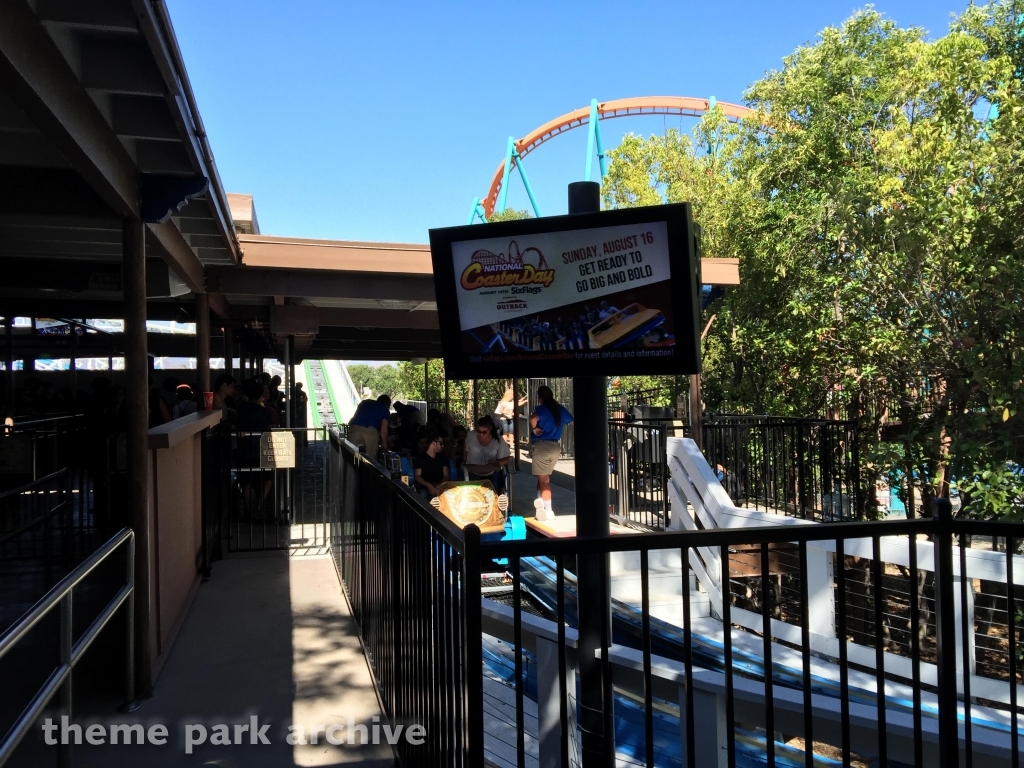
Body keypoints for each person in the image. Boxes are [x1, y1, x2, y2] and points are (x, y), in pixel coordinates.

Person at [529, 385, 573, 520]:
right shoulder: (560, 409)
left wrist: (535, 428)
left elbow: (533, 418)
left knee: (544, 481)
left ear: (540, 398)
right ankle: (540, 504)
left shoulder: (541, 409)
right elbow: (572, 421)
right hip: (555, 447)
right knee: (543, 476)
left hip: (542, 446)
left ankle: (548, 510)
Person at [464, 416, 509, 490]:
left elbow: (506, 457)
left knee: (493, 493)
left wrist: (496, 462)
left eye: (484, 432)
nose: (481, 434)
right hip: (473, 471)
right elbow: (465, 450)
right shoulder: (471, 436)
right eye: (479, 431)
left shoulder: (498, 440)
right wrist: (464, 462)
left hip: (491, 473)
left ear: (490, 429)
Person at [347, 394, 391, 459]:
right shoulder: (384, 408)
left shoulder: (364, 403)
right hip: (370, 432)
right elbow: (383, 431)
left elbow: (353, 418)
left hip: (354, 428)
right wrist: (385, 443)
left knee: (350, 456)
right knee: (370, 460)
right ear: (387, 404)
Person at [413, 430, 448, 500]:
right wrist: (428, 485)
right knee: (423, 494)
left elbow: (446, 475)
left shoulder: (443, 458)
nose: (442, 446)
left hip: (439, 486)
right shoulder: (419, 458)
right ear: (433, 443)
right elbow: (417, 476)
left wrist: (440, 485)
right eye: (440, 444)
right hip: (424, 486)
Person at [494, 387, 528, 452]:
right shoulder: (503, 402)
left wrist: (525, 401)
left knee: (511, 432)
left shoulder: (511, 402)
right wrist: (508, 412)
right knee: (505, 432)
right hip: (502, 418)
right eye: (512, 394)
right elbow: (501, 410)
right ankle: (503, 444)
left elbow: (517, 403)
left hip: (509, 418)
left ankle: (511, 445)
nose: (513, 396)